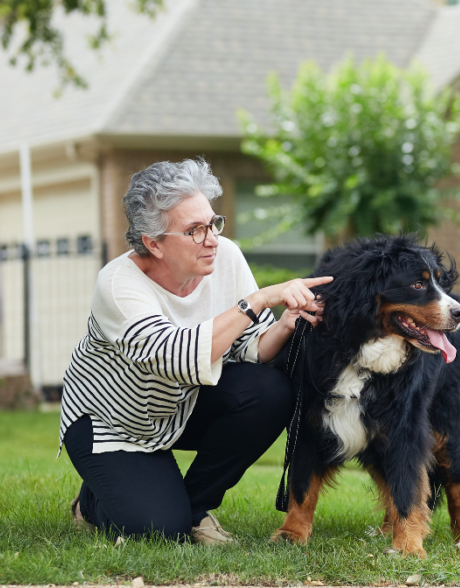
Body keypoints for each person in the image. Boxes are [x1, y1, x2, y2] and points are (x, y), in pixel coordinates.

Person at [58, 158, 330, 544]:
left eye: (213, 223)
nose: (212, 239)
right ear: (154, 243)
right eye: (194, 230)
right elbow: (177, 358)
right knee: (157, 531)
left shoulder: (226, 257)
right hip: (113, 423)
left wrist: (285, 324)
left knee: (270, 390)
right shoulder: (118, 285)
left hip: (181, 404)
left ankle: (194, 507)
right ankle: (92, 501)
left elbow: (250, 347)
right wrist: (256, 300)